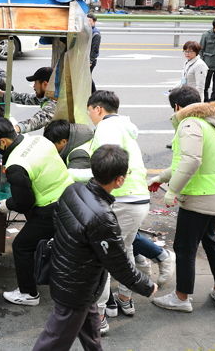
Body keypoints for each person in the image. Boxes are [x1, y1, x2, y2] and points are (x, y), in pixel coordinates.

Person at [32, 145, 157, 351]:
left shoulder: (73, 190)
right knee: (53, 341)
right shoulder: (103, 217)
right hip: (75, 288)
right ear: (119, 180)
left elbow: (58, 222)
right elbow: (119, 264)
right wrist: (147, 286)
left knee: (91, 332)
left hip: (70, 277)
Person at [150, 85, 215, 313]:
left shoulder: (189, 124)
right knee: (211, 242)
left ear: (177, 106)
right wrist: (161, 177)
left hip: (198, 197)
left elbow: (191, 161)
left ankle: (181, 297)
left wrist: (172, 191)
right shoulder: (211, 123)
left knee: (184, 247)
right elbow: (183, 163)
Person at [0, 118, 73, 307]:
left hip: (50, 208)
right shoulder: (38, 140)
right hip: (69, 196)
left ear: (3, 142)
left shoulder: (16, 165)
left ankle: (29, 293)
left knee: (22, 246)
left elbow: (24, 202)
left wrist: (8, 204)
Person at [87, 90, 149, 331]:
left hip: (121, 199)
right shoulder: (124, 127)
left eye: (90, 111)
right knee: (126, 249)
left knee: (103, 256)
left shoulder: (106, 128)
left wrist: (72, 175)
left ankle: (99, 315)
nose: (90, 116)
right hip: (139, 199)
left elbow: (105, 167)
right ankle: (125, 298)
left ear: (98, 109)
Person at [0, 66, 56, 134]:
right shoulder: (48, 95)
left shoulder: (55, 101)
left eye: (35, 83)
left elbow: (38, 120)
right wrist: (1, 93)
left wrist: (15, 129)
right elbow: (25, 98)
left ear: (45, 84)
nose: (34, 86)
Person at [88, 13, 101, 92]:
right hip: (86, 58)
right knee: (87, 77)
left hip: (90, 60)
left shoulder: (95, 33)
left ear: (94, 21)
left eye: (89, 20)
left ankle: (94, 92)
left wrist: (90, 60)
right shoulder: (88, 30)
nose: (87, 22)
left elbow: (95, 49)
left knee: (87, 77)